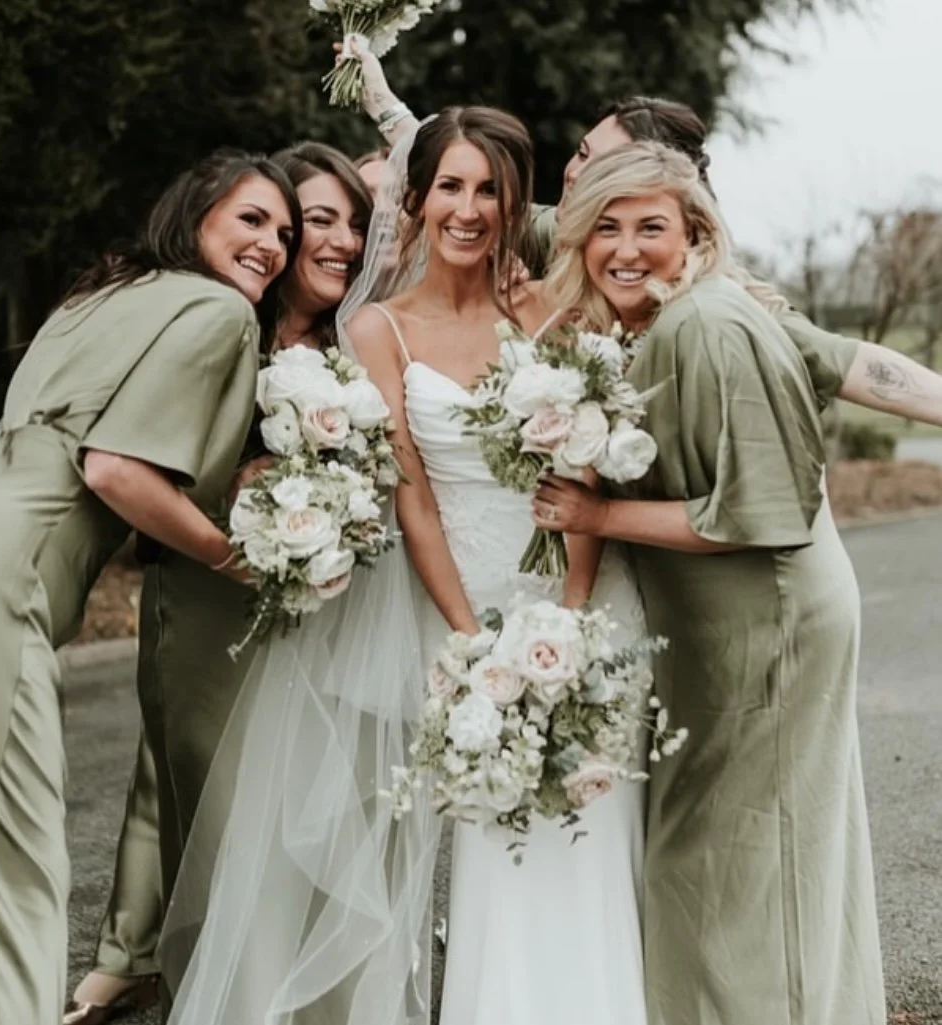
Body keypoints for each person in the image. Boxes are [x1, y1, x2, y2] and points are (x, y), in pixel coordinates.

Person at [159, 106, 651, 1025]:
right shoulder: (378, 329)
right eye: (451, 188)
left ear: (515, 204)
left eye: (490, 190)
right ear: (418, 201)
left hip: (568, 597)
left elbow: (581, 456)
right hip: (445, 608)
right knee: (460, 839)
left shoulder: (553, 306)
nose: (468, 210)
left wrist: (572, 616)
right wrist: (473, 645)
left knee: (580, 834)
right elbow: (413, 494)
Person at [0, 148, 301, 1025]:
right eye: (251, 219)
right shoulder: (219, 308)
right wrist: (236, 556)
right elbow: (116, 469)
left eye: (284, 232)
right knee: (11, 868)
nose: (273, 245)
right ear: (196, 215)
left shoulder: (101, 294)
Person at [532, 142, 886, 1025]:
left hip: (768, 618)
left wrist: (595, 516)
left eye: (650, 226)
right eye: (603, 228)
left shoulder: (708, 325)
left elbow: (762, 512)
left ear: (695, 233)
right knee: (722, 854)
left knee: (748, 857)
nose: (623, 248)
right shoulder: (656, 322)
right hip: (724, 620)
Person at [65, 142, 373, 1025]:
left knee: (304, 824)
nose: (341, 240)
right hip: (203, 598)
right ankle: (157, 965)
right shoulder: (221, 320)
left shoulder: (358, 344)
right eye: (319, 219)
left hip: (320, 612)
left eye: (356, 222)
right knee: (195, 791)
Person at [350, 43, 942, 428]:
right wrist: (383, 101)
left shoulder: (710, 289)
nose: (577, 173)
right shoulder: (561, 232)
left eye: (604, 169)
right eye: (582, 153)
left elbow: (848, 361)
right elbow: (459, 190)